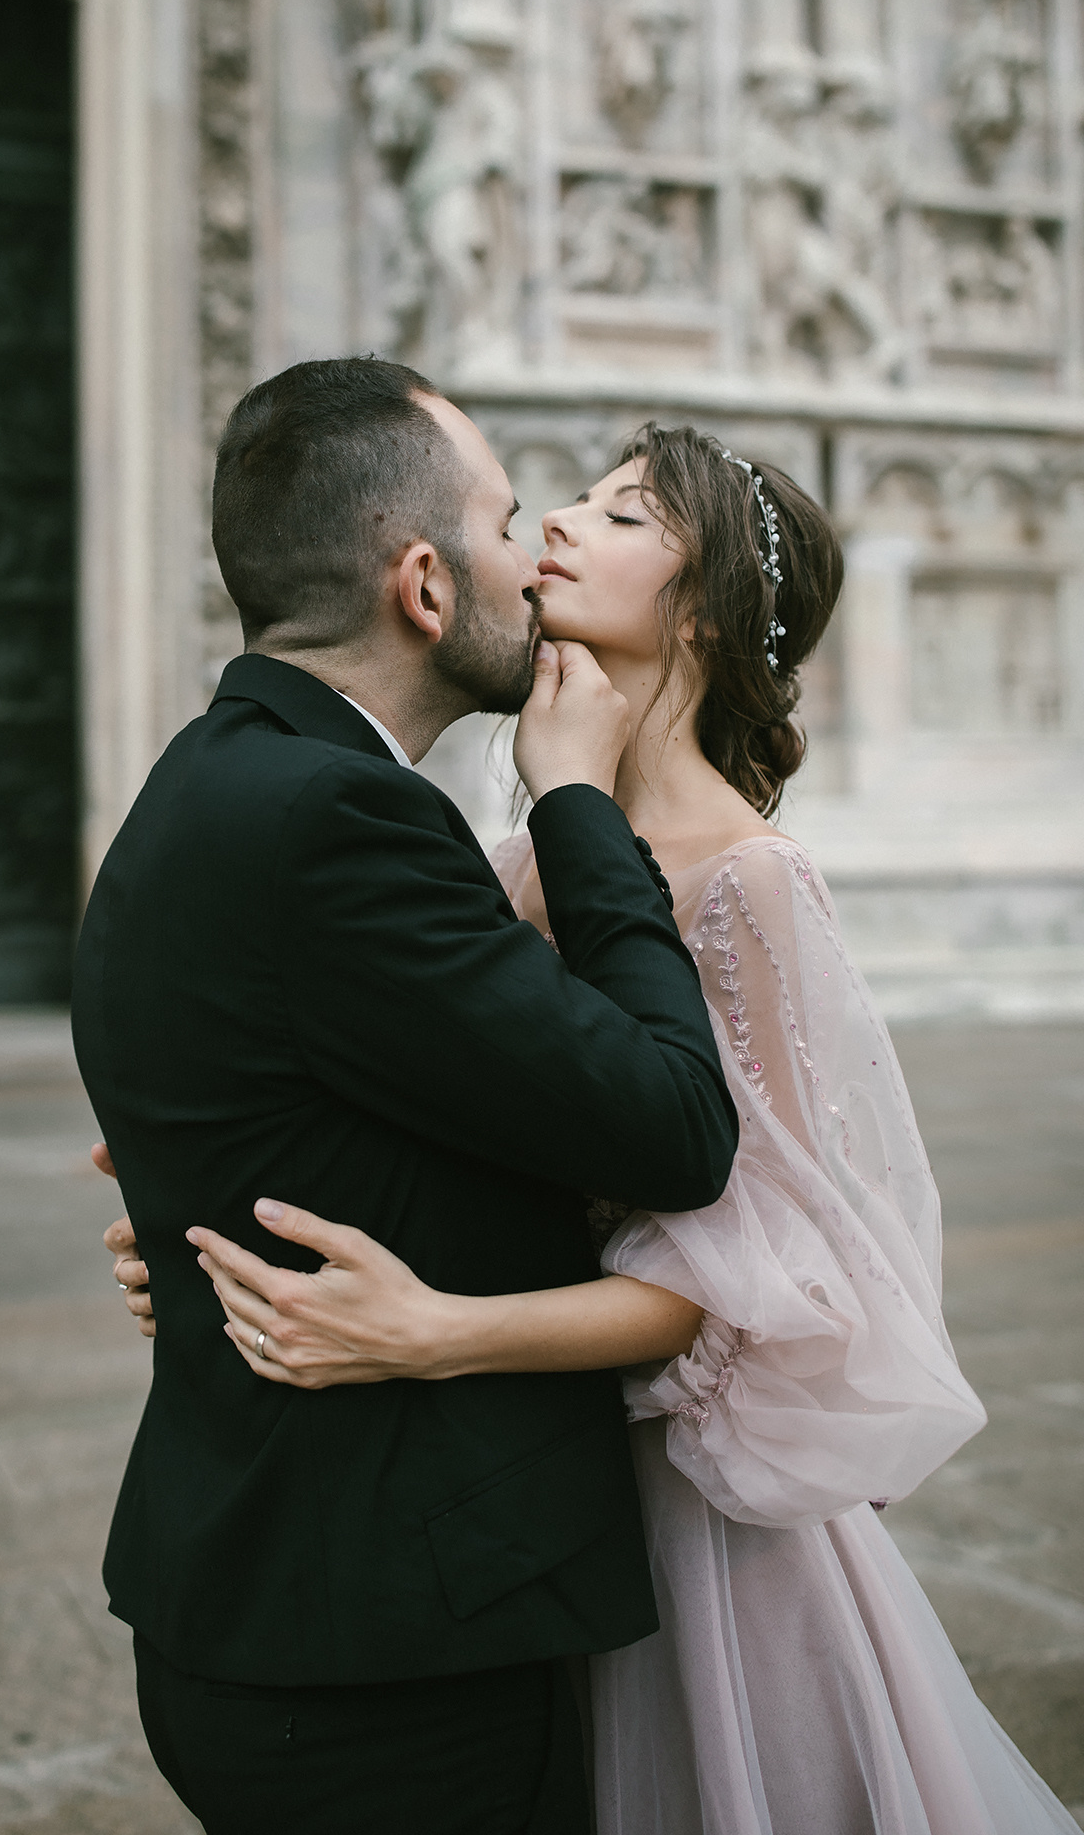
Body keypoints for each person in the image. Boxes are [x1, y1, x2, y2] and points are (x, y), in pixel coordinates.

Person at [110, 422, 1080, 1835]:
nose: (558, 524)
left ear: (700, 609)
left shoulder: (747, 881)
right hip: (508, 1497)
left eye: (620, 516)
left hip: (682, 1517)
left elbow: (759, 1272)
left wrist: (432, 1327)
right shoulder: (505, 861)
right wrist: (213, 1200)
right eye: (561, 500)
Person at [72, 361, 739, 1835]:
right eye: (510, 519)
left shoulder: (207, 779)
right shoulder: (341, 821)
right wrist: (574, 800)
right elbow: (675, 1129)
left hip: (273, 1600)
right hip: (382, 1651)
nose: (541, 549)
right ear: (426, 585)